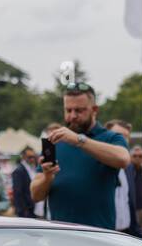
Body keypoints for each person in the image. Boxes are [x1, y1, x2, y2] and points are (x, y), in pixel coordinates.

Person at [30, 83, 130, 228]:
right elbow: (35, 195)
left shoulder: (111, 138)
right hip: (61, 238)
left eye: (79, 110)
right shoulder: (55, 141)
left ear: (94, 110)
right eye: (68, 110)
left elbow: (123, 159)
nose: (72, 116)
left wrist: (79, 140)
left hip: (98, 239)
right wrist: (47, 177)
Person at [10, 146, 40, 218]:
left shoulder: (33, 168)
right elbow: (17, 192)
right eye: (29, 157)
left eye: (33, 157)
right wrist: (21, 211)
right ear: (23, 157)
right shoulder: (18, 171)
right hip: (26, 211)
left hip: (34, 209)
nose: (32, 159)